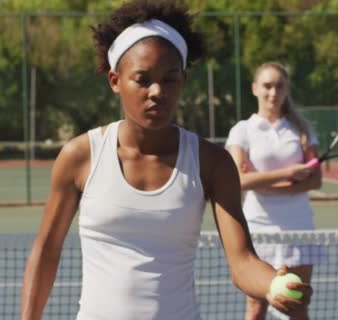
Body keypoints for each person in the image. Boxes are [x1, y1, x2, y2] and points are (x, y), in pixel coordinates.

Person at [19, 1, 313, 320]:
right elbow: (46, 251)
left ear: (183, 82)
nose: (157, 91)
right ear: (115, 81)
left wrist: (272, 283)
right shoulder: (79, 156)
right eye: (143, 79)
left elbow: (242, 262)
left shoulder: (211, 162)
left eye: (169, 79)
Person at [225, 62, 324, 320]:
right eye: (267, 86)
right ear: (255, 88)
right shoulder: (243, 130)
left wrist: (260, 180)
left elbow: (315, 181)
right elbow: (238, 180)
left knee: (297, 303)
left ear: (286, 90)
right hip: (258, 226)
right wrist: (288, 175)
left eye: (279, 86)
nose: (273, 92)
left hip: (297, 225)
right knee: (256, 306)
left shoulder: (302, 130)